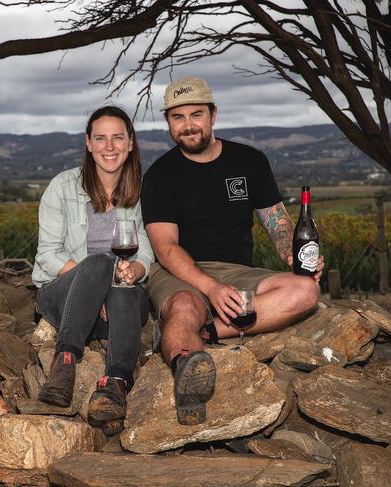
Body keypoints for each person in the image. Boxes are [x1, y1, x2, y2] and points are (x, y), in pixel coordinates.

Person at [140, 76, 324, 426]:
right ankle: (187, 379)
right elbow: (165, 248)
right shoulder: (160, 175)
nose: (188, 125)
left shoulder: (249, 161)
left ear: (213, 115)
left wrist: (294, 253)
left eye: (196, 114)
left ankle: (203, 332)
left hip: (237, 270)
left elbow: (279, 224)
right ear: (168, 123)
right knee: (183, 305)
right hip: (179, 269)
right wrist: (210, 288)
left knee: (306, 290)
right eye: (178, 118)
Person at [32, 105, 153, 435]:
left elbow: (145, 250)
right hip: (63, 297)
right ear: (88, 143)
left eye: (117, 138)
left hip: (116, 308)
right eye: (100, 138)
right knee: (100, 263)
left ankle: (114, 385)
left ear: (130, 143)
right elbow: (48, 255)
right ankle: (66, 360)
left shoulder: (142, 191)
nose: (109, 147)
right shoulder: (63, 186)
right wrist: (93, 283)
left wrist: (138, 268)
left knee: (125, 287)